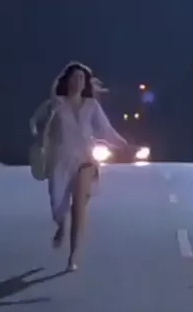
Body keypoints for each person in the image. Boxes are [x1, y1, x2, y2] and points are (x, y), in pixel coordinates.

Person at [40, 63, 128, 271]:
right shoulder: (57, 103)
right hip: (61, 162)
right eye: (74, 77)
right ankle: (61, 225)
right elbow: (41, 121)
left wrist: (124, 144)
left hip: (85, 161)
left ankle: (74, 255)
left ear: (85, 83)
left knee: (79, 206)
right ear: (67, 80)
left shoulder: (91, 105)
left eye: (82, 78)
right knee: (58, 205)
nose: (78, 81)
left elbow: (106, 130)